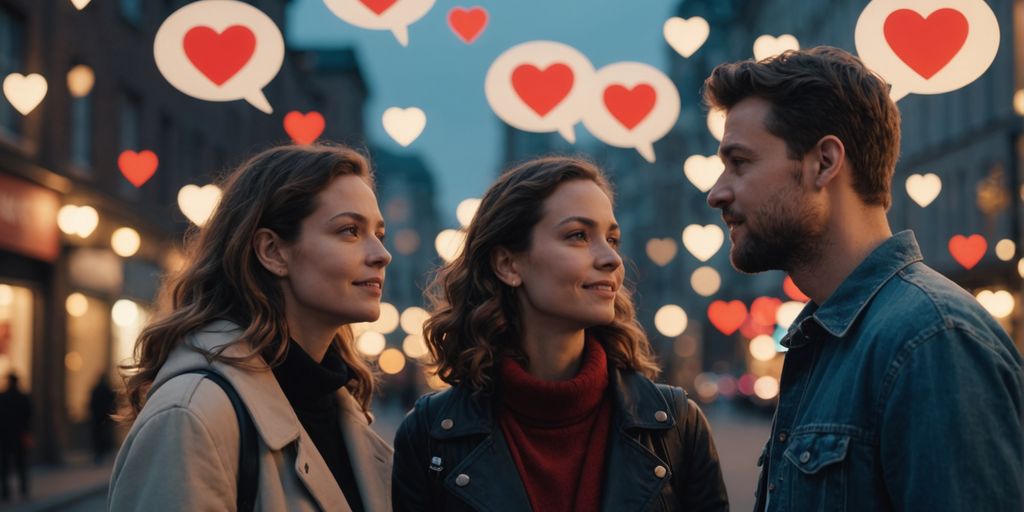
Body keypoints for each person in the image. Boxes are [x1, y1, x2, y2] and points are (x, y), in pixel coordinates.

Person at [704, 46, 1024, 511]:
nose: (717, 193)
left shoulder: (932, 340)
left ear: (825, 162)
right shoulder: (829, 340)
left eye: (740, 162)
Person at [393, 157, 729, 511]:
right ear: (508, 265)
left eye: (612, 239)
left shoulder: (677, 426)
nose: (612, 259)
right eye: (578, 236)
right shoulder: (430, 436)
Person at [109, 144, 394, 511]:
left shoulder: (341, 407)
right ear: (272, 251)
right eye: (350, 231)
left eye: (379, 234)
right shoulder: (192, 416)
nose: (381, 254)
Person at [0, 374, 31, 501]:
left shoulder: (3, 397)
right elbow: (29, 416)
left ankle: (6, 491)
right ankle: (23, 489)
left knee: (5, 465)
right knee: (21, 463)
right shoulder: (23, 397)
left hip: (5, 435)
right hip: (19, 435)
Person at [88, 376, 116, 465]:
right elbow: (112, 403)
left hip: (97, 417)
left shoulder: (97, 389)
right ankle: (101, 453)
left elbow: (91, 403)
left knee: (99, 436)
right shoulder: (106, 390)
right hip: (103, 417)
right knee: (103, 436)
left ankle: (99, 454)